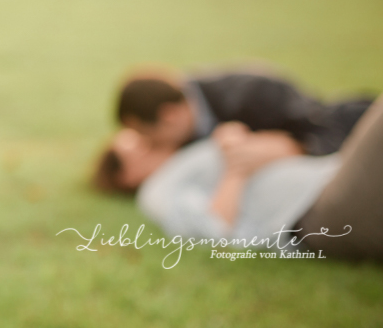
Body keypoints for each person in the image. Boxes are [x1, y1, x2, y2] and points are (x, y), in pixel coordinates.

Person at [136, 95, 383, 260]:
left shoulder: (194, 150)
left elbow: (290, 146)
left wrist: (243, 143)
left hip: (329, 170)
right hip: (316, 210)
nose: (147, 141)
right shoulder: (158, 189)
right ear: (126, 176)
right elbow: (215, 229)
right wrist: (236, 170)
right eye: (138, 145)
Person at [93, 69, 373, 193]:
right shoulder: (183, 118)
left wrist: (295, 147)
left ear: (169, 116)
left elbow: (330, 131)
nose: (153, 146)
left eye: (149, 137)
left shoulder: (253, 93)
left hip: (365, 129)